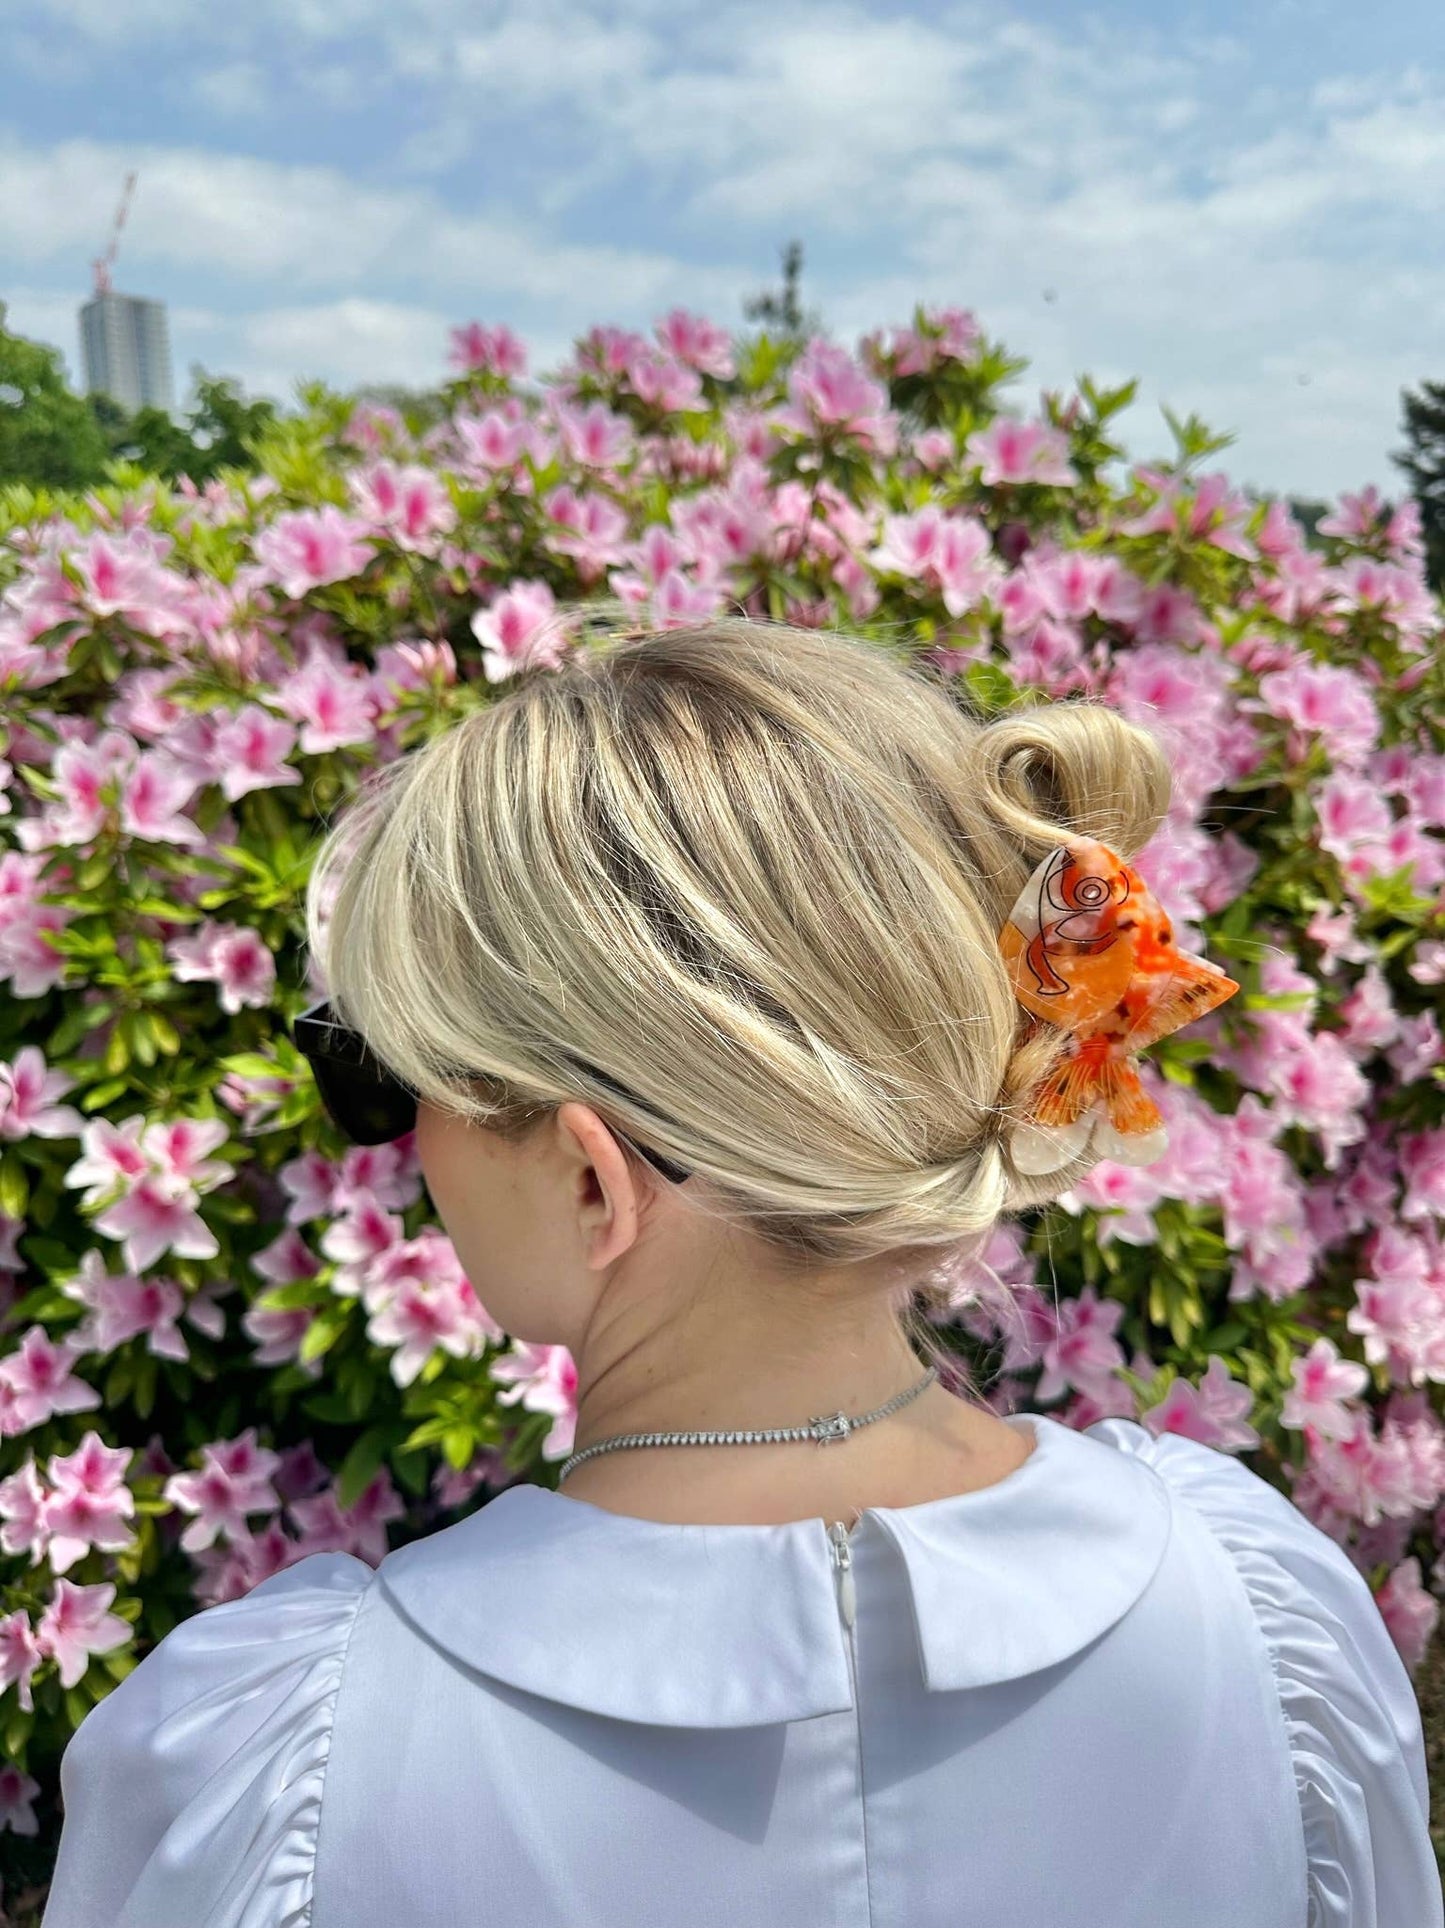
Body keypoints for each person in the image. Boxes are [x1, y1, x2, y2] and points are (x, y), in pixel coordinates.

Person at [42, 618, 1439, 1926]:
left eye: (385, 1078)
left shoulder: (283, 1760)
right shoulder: (1258, 1616)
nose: (399, 1147)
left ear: (590, 1177)